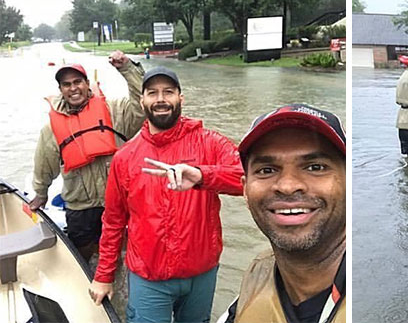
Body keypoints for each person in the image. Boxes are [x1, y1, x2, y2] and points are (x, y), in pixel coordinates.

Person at [88, 67, 244, 323]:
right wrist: (103, 275)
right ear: (142, 101)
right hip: (149, 278)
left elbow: (249, 178)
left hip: (201, 274)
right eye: (153, 93)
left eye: (168, 92)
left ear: (181, 98)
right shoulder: (124, 157)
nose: (160, 99)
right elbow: (114, 220)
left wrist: (202, 176)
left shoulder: (210, 142)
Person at [220, 103, 346, 323]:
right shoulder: (250, 290)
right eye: (267, 170)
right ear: (245, 191)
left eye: (315, 167)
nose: (288, 186)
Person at [29, 51, 145, 262]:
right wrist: (40, 193)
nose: (73, 88)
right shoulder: (51, 129)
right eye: (66, 84)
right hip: (80, 207)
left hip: (117, 202)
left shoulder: (115, 111)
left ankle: (119, 288)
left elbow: (142, 104)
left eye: (77, 82)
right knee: (83, 258)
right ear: (61, 90)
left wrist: (127, 68)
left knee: (122, 255)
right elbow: (44, 165)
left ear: (87, 83)